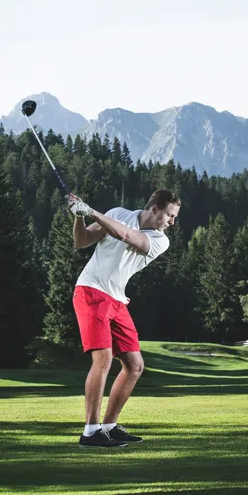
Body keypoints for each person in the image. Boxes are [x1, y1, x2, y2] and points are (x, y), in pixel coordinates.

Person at [67, 188, 181, 448]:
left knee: (135, 366)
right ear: (154, 209)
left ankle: (108, 426)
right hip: (91, 291)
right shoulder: (117, 214)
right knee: (104, 359)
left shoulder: (160, 240)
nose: (172, 221)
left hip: (117, 300)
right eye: (170, 215)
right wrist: (78, 216)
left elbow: (128, 236)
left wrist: (91, 210)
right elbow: (81, 241)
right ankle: (90, 431)